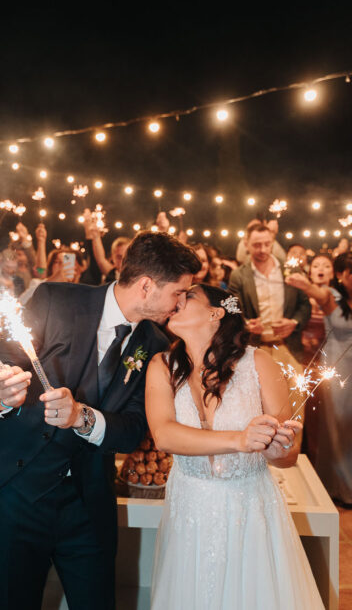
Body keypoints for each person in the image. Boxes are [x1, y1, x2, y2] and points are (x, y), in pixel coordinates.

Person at [0, 231, 201, 610]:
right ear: (147, 286)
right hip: (14, 494)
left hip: (86, 504)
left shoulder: (154, 344)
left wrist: (81, 418)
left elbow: (133, 430)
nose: (181, 303)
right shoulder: (55, 299)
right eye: (179, 292)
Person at [146, 284, 323, 609]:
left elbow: (287, 456)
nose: (177, 301)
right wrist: (240, 440)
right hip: (189, 508)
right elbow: (164, 435)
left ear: (216, 313)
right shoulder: (162, 364)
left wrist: (275, 445)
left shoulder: (259, 363)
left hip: (248, 507)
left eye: (189, 296)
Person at [286, 252, 352, 506]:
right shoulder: (332, 297)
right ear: (341, 275)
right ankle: (341, 488)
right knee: (338, 429)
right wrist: (305, 284)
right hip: (339, 373)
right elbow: (319, 293)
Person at [228, 223, 311, 370]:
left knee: (296, 391)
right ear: (246, 244)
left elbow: (304, 304)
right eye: (257, 245)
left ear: (273, 241)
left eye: (267, 244)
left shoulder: (290, 269)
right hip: (255, 347)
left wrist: (294, 322)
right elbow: (232, 309)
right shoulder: (238, 275)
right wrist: (246, 324)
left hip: (287, 345)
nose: (263, 249)